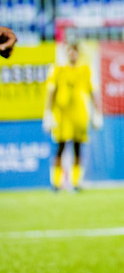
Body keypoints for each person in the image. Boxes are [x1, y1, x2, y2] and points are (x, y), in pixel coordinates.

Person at [43, 42, 99, 192]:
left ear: (78, 54)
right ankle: (56, 183)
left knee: (77, 148)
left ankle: (76, 182)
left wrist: (98, 113)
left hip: (80, 115)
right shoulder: (58, 69)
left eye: (75, 51)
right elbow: (51, 92)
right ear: (66, 53)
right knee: (60, 148)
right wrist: (47, 113)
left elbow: (92, 91)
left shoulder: (85, 70)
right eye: (70, 51)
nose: (72, 54)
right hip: (62, 115)